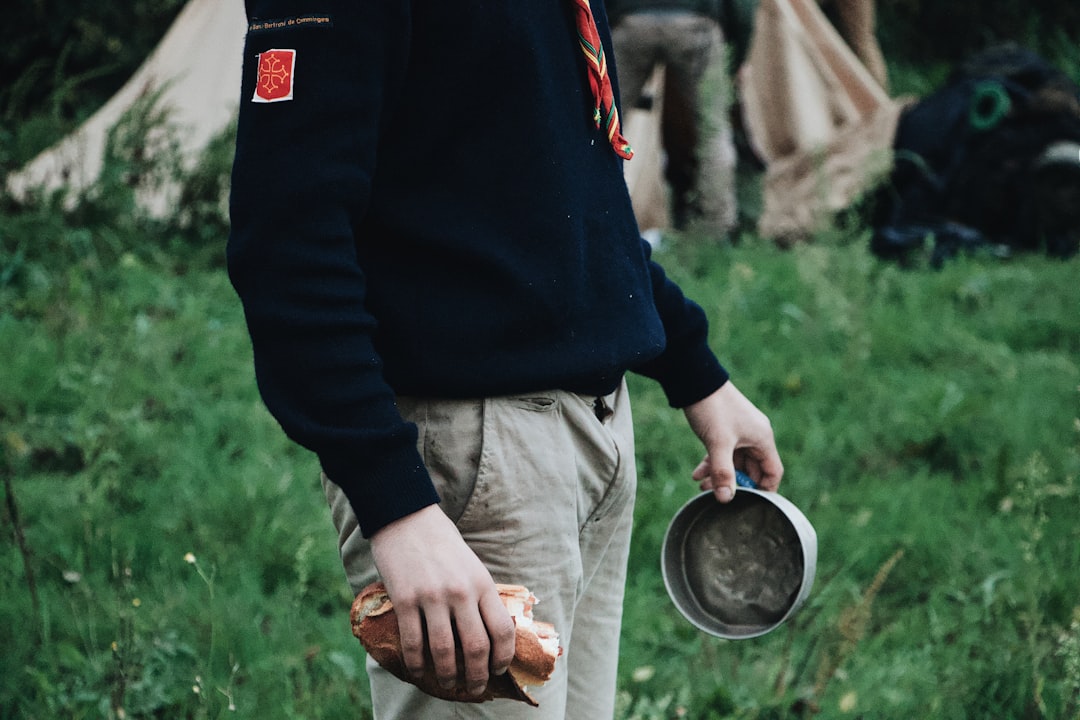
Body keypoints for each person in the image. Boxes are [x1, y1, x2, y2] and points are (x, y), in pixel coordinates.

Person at [227, 2, 783, 719]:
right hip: (467, 463)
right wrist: (398, 508)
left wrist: (695, 370)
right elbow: (288, 246)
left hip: (594, 432)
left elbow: (568, 195)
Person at [607, 0, 739, 235]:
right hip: (695, 21)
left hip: (631, 20)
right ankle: (717, 229)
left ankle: (600, 219)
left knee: (605, 125)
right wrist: (738, 48)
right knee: (712, 132)